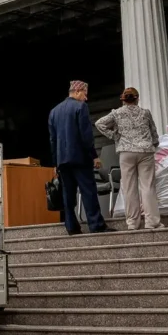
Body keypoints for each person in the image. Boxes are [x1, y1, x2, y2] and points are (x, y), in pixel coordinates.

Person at [48, 80, 114, 235]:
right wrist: (94, 156)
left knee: (68, 194)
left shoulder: (54, 111)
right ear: (77, 92)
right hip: (80, 158)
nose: (86, 98)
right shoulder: (80, 107)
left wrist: (55, 162)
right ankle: (96, 225)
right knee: (88, 191)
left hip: (62, 160)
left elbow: (52, 139)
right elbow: (86, 135)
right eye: (85, 94)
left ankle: (71, 227)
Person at [95, 87, 162, 230]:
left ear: (123, 100)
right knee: (147, 186)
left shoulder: (117, 113)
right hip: (145, 151)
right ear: (137, 98)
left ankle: (133, 223)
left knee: (129, 188)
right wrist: (154, 144)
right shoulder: (145, 113)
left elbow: (99, 123)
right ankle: (152, 222)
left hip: (126, 152)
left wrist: (115, 136)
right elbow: (154, 132)